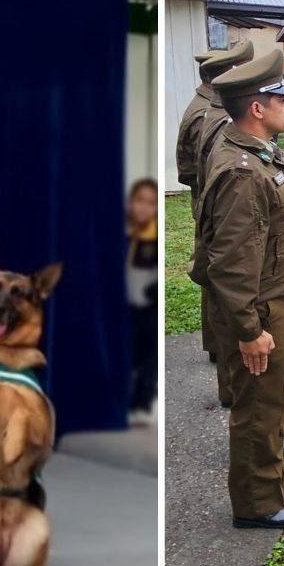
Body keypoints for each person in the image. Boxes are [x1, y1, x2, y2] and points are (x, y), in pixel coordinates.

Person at [191, 50, 284, 529]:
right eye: (281, 95)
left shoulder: (256, 151)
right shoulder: (243, 172)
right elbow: (231, 264)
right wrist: (248, 330)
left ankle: (274, 482)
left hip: (269, 299)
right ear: (257, 108)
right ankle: (259, 503)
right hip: (256, 308)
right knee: (256, 408)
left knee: (269, 403)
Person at [178, 42, 253, 372]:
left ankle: (217, 348)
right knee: (221, 281)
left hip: (207, 200)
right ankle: (224, 355)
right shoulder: (209, 114)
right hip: (214, 203)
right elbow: (201, 167)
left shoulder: (205, 107)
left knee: (214, 279)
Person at [126, 178, 158, 426]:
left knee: (149, 353)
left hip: (147, 305)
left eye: (151, 203)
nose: (144, 208)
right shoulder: (123, 233)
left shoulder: (154, 237)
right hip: (124, 304)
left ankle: (142, 400)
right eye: (139, 201)